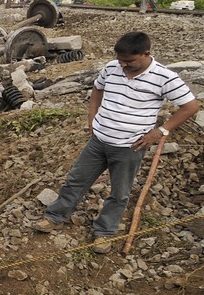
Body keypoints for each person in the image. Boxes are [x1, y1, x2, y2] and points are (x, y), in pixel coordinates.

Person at [32, 32, 199, 253]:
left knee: (119, 194)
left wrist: (159, 132)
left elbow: (191, 106)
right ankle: (55, 217)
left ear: (146, 54)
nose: (122, 65)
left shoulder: (165, 77)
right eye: (120, 59)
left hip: (130, 147)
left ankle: (104, 232)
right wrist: (92, 118)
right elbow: (97, 88)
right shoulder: (112, 67)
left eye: (129, 61)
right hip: (98, 141)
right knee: (75, 181)